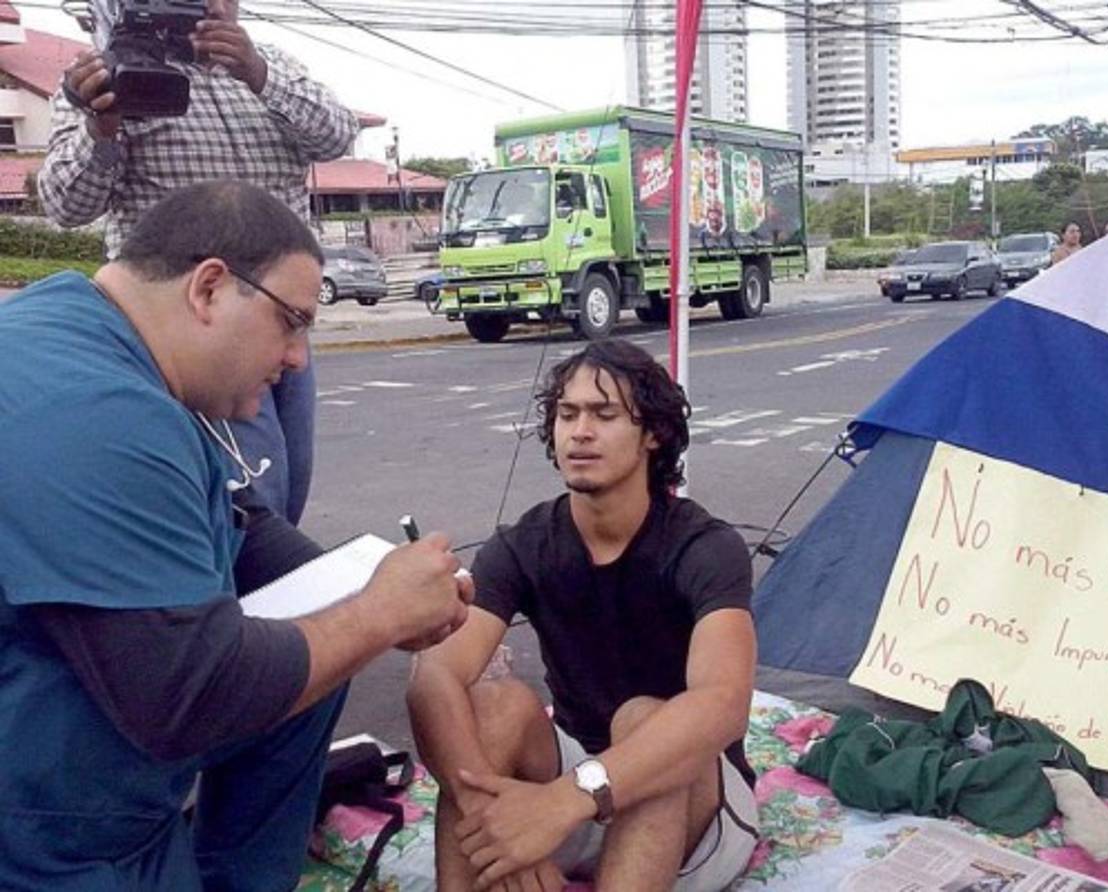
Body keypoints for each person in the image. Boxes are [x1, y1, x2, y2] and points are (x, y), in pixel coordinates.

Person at [0, 180, 473, 891]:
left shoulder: (88, 334)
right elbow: (190, 696)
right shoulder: (96, 412)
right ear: (210, 288)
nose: (299, 357)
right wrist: (379, 614)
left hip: (78, 763)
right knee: (291, 663)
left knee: (312, 672)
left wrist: (368, 585)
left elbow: (236, 519)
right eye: (292, 321)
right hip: (45, 829)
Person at [409, 339, 759, 892]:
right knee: (493, 705)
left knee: (646, 719)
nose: (580, 431)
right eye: (567, 414)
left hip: (692, 806)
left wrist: (562, 802)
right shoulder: (525, 544)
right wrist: (492, 823)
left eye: (604, 414)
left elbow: (723, 704)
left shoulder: (704, 547)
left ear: (653, 433)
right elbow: (435, 677)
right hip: (572, 788)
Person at [37, 0, 360, 525]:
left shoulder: (271, 63)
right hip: (193, 331)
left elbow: (338, 135)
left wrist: (257, 72)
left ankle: (266, 572)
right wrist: (101, 131)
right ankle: (238, 575)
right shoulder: (114, 71)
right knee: (249, 498)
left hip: (281, 313)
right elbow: (65, 205)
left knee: (291, 478)